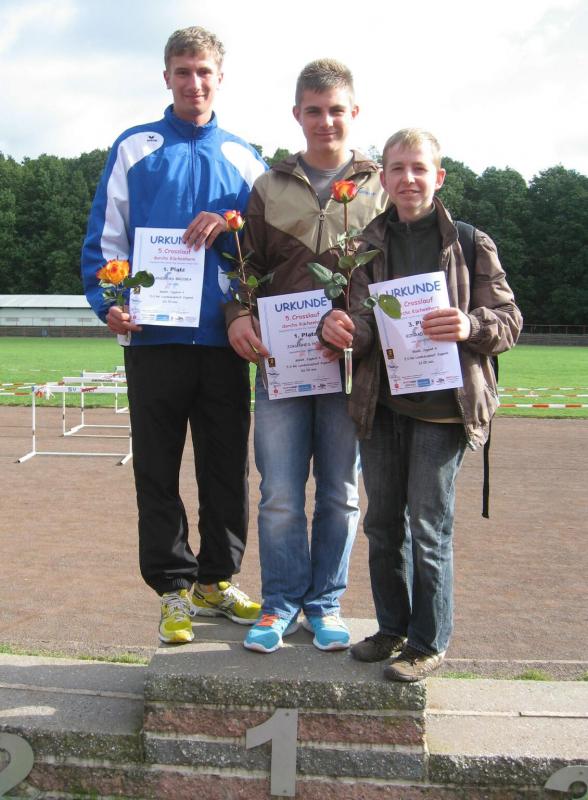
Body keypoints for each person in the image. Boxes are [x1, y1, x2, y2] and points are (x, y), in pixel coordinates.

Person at [81, 26, 265, 644]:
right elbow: (107, 238)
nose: (194, 82)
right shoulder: (135, 147)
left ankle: (217, 579)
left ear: (220, 77)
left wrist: (232, 222)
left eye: (204, 71)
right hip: (153, 339)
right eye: (183, 71)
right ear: (166, 77)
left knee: (226, 468)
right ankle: (172, 590)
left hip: (222, 340)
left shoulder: (244, 156)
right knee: (157, 470)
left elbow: (267, 247)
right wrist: (110, 303)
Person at [320, 128, 522, 680]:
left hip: (442, 410)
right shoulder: (364, 245)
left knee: (428, 529)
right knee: (383, 525)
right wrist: (342, 330)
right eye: (397, 168)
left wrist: (469, 325)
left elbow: (509, 321)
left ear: (439, 177)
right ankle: (392, 629)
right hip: (381, 407)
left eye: (419, 168)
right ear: (383, 179)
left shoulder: (471, 242)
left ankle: (428, 642)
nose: (408, 178)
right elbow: (362, 325)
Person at [225, 59, 388, 654]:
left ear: (354, 112)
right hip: (282, 362)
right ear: (297, 114)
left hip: (353, 367)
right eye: (314, 111)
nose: (326, 121)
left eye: (336, 110)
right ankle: (279, 603)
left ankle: (324, 604)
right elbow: (244, 266)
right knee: (280, 493)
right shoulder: (269, 186)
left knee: (340, 493)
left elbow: (396, 275)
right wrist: (237, 314)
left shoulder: (381, 186)